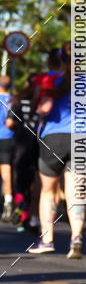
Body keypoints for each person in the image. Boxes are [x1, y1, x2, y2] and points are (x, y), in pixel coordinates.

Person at [28, 43, 86, 258]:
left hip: (53, 137)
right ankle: (76, 238)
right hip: (81, 138)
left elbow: (43, 108)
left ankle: (47, 239)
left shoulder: (52, 79)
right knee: (75, 191)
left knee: (48, 191)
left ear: (61, 59)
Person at [5, 73, 40, 232]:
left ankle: (21, 208)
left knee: (19, 180)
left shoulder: (18, 103)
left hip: (20, 145)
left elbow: (10, 122)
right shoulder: (42, 102)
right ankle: (34, 217)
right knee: (37, 182)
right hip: (39, 145)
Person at [0, 75, 15, 222]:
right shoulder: (12, 100)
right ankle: (8, 200)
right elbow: (11, 122)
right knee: (6, 170)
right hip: (8, 137)